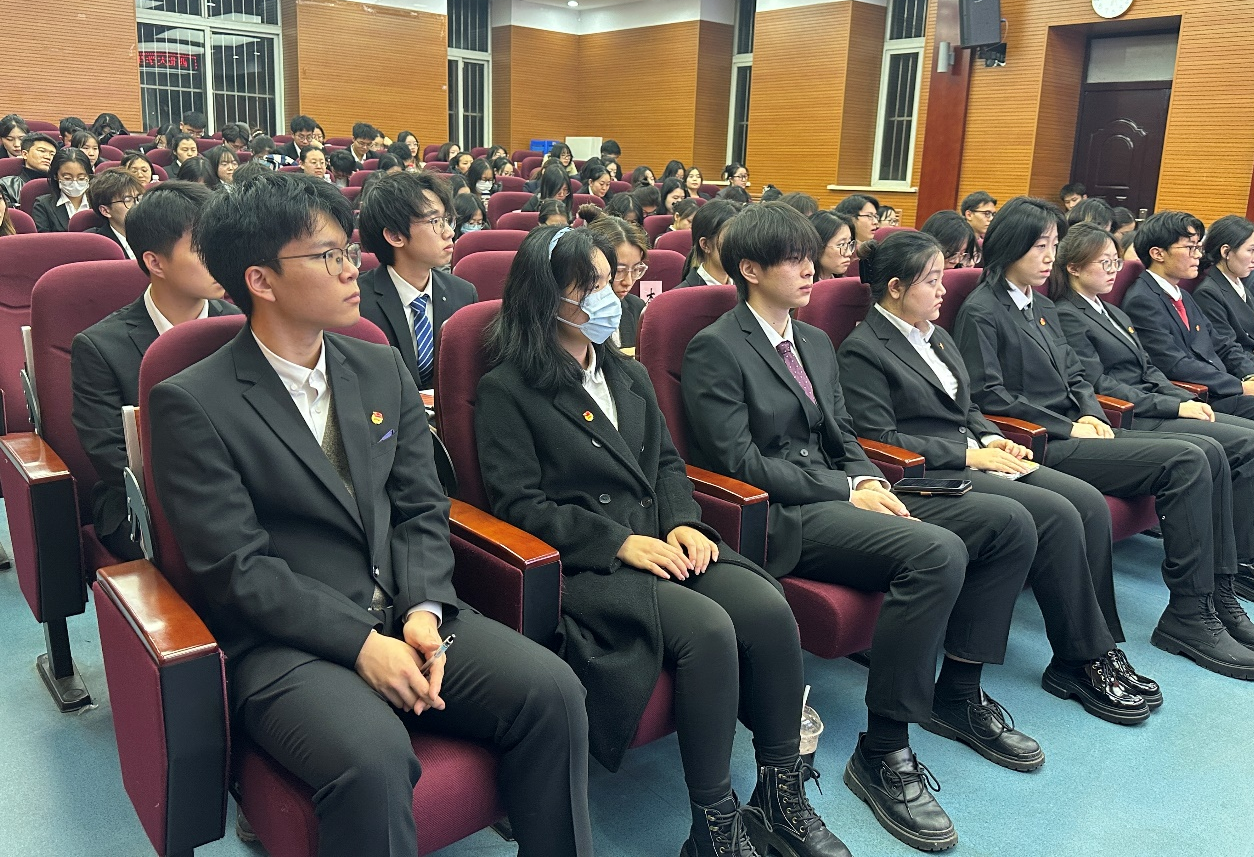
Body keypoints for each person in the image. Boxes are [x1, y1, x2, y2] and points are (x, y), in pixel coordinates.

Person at [149, 171, 593, 857]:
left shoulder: (378, 365)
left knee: (553, 691)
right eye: (325, 255)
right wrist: (360, 643)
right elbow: (238, 569)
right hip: (286, 643)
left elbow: (420, 505)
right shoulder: (192, 402)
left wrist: (423, 609)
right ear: (260, 280)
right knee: (373, 756)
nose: (350, 267)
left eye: (346, 249)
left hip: (405, 609)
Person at [475, 223, 848, 857]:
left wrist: (682, 520)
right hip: (592, 563)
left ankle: (780, 794)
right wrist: (619, 543)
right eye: (588, 287)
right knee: (708, 629)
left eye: (608, 280)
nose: (608, 296)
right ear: (545, 298)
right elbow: (522, 506)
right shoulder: (507, 390)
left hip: (663, 537)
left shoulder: (627, 373)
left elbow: (668, 465)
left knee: (767, 609)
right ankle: (714, 824)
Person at [681, 203, 1040, 852]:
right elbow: (738, 463)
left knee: (1008, 522)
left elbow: (843, 435)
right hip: (784, 513)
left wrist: (870, 480)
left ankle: (958, 692)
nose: (810, 269)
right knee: (936, 553)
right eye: (793, 259)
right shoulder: (716, 347)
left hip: (844, 492)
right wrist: (846, 488)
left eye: (809, 257)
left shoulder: (814, 341)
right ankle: (882, 750)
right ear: (750, 269)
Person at [841, 231, 1158, 723]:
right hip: (928, 473)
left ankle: (1097, 645)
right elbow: (878, 437)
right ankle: (1079, 657)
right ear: (896, 287)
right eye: (932, 280)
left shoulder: (936, 334)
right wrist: (971, 455)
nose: (944, 289)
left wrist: (992, 438)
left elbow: (967, 407)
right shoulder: (864, 349)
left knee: (1086, 501)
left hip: (976, 455)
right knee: (1053, 514)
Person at [954, 197, 1254, 680]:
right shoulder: (982, 310)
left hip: (1082, 426)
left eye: (1054, 245)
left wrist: (1087, 408)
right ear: (1011, 246)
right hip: (1041, 439)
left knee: (1207, 451)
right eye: (1040, 246)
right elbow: (990, 395)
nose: (1049, 257)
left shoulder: (1039, 303)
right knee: (1188, 459)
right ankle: (1188, 613)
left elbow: (1077, 375)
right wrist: (1069, 424)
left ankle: (1215, 597)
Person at [1054, 223, 1254, 616]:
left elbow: (1149, 368)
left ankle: (1230, 571)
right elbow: (1101, 384)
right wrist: (1174, 406)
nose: (1114, 270)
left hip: (1157, 401)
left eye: (1116, 262)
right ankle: (1237, 568)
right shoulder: (1068, 314)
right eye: (1104, 263)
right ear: (1073, 267)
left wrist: (1181, 398)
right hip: (1131, 415)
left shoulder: (1112, 310)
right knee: (1247, 446)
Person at [72, 181, 238, 562]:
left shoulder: (240, 325)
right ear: (155, 262)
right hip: (144, 504)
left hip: (244, 494)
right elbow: (112, 456)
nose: (222, 259)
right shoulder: (99, 347)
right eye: (204, 248)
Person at [1124, 211, 1254, 423]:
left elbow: (1222, 344)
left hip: (1223, 388)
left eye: (1198, 247)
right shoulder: (1142, 300)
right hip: (1199, 395)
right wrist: (1238, 386)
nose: (1198, 255)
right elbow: (1174, 364)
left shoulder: (1183, 294)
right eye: (1190, 248)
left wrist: (1250, 376)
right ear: (1158, 253)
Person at [357, 171, 479, 392]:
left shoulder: (463, 293)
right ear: (395, 236)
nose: (449, 232)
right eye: (435, 221)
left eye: (447, 220)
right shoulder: (357, 301)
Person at [1193, 215, 1254, 372]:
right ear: (1226, 251)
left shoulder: (1238, 285)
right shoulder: (1208, 293)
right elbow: (1227, 349)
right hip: (1247, 371)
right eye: (1251, 250)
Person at [587, 216, 649, 347]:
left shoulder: (636, 306)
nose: (628, 281)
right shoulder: (574, 315)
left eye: (636, 269)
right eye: (620, 271)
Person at [674, 199, 736, 288]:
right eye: (729, 239)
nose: (738, 247)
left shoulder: (746, 290)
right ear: (705, 244)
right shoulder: (683, 294)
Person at [86, 169, 145, 258]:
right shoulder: (95, 245)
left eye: (139, 198)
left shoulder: (156, 234)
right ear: (105, 211)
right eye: (127, 200)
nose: (137, 204)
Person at [32, 147, 94, 232]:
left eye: (81, 178)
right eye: (67, 178)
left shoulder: (99, 203)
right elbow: (43, 238)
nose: (75, 182)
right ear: (56, 176)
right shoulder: (43, 205)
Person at [1, 132, 58, 207]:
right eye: (42, 151)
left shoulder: (59, 185)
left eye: (52, 154)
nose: (48, 157)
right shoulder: (6, 185)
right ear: (25, 154)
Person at [810, 210, 855, 281]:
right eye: (841, 244)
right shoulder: (803, 286)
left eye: (849, 243)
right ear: (817, 246)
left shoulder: (845, 284)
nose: (849, 253)